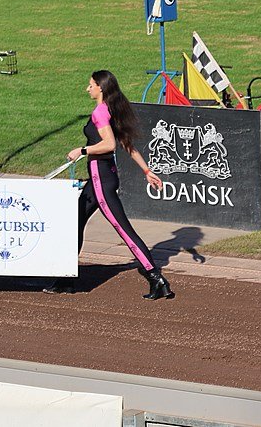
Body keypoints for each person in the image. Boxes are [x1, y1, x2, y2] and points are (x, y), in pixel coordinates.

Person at [45, 70, 175, 300]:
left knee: (123, 229)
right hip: (102, 178)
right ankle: (65, 279)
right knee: (74, 222)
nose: (88, 89)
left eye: (91, 85)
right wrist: (146, 171)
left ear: (101, 88)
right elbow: (127, 144)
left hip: (100, 180)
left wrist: (82, 150)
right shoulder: (110, 110)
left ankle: (155, 278)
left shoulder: (100, 112)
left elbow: (110, 144)